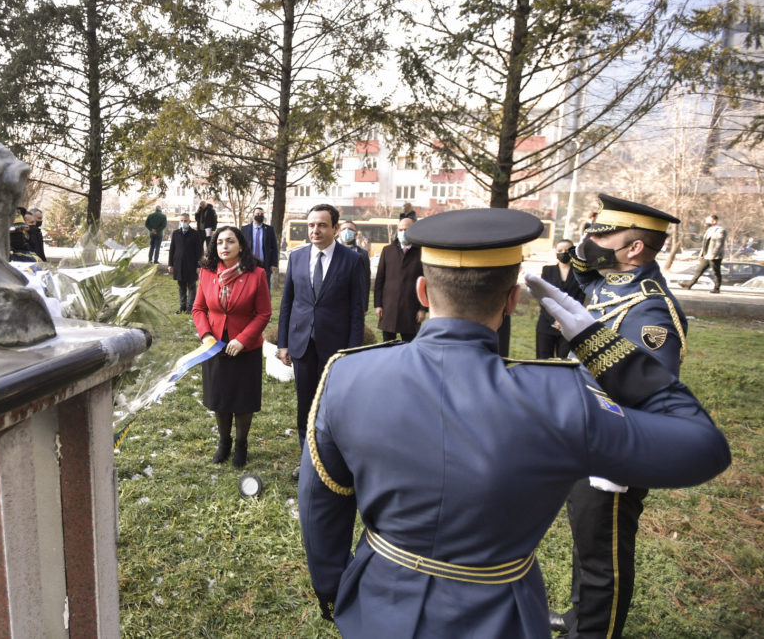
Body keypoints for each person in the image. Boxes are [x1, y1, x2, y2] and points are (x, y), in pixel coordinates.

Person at [298, 207, 730, 638]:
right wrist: (603, 348)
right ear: (512, 300)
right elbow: (703, 448)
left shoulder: (346, 375)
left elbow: (322, 504)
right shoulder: (562, 397)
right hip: (501, 614)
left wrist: (334, 590)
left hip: (379, 604)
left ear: (423, 292)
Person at [554, 194, 688, 638]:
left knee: (604, 557)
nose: (594, 238)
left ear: (635, 249)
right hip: (582, 435)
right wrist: (581, 255)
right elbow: (577, 289)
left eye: (606, 233)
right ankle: (579, 619)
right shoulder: (609, 284)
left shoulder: (650, 310)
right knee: (586, 541)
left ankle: (595, 632)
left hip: (611, 452)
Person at [277, 204, 366, 480]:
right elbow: (288, 302)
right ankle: (308, 461)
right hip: (302, 344)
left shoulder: (352, 261)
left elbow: (356, 310)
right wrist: (283, 343)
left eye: (322, 225)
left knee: (332, 406)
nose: (315, 230)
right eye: (311, 225)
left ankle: (332, 460)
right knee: (305, 403)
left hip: (336, 348)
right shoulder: (297, 257)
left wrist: (350, 352)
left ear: (335, 229)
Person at [192, 226, 272, 468]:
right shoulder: (207, 273)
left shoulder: (256, 274)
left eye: (230, 241)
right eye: (219, 242)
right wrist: (206, 335)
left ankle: (241, 444)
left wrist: (243, 339)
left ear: (241, 246)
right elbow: (198, 309)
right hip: (215, 345)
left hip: (245, 348)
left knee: (243, 399)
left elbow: (263, 313)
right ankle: (223, 443)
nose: (224, 246)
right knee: (220, 397)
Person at [373, 217, 425, 342]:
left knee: (410, 345)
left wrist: (422, 309)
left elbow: (426, 283)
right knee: (387, 345)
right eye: (400, 229)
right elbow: (379, 280)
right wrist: (378, 304)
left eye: (406, 230)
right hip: (388, 307)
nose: (403, 232)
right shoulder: (388, 251)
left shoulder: (422, 252)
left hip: (410, 309)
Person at [535, 239, 584, 359]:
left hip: (569, 325)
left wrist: (564, 319)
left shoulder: (579, 273)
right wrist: (554, 319)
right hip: (547, 323)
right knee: (543, 360)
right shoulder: (548, 270)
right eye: (560, 250)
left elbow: (579, 299)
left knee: (565, 360)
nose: (563, 253)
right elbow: (543, 297)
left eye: (567, 250)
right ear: (556, 253)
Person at [680, 213, 726, 293]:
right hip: (706, 255)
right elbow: (705, 243)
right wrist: (702, 254)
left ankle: (717, 288)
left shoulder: (720, 230)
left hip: (714, 256)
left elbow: (719, 244)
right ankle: (689, 285)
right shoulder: (710, 230)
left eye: (709, 220)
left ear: (714, 221)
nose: (707, 222)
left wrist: (714, 254)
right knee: (699, 270)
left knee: (716, 272)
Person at [168, 212, 203, 314]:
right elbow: (172, 249)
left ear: (189, 221)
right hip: (179, 265)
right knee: (181, 287)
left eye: (185, 221)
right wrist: (170, 264)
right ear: (180, 221)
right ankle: (182, 306)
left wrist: (198, 265)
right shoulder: (176, 233)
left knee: (191, 287)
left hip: (191, 265)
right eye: (182, 221)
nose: (184, 222)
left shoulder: (195, 234)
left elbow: (199, 251)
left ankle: (190, 308)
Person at [242, 207, 279, 289]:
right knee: (249, 288)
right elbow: (241, 247)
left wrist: (274, 263)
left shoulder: (269, 229)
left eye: (262, 214)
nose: (260, 216)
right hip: (249, 263)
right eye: (257, 214)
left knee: (265, 288)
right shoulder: (244, 229)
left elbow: (274, 247)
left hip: (265, 264)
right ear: (253, 216)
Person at [338, 220, 370, 311]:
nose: (347, 231)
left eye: (350, 229)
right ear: (339, 233)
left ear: (356, 234)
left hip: (355, 303)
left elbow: (366, 281)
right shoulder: (332, 252)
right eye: (344, 229)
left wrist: (364, 306)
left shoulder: (363, 254)